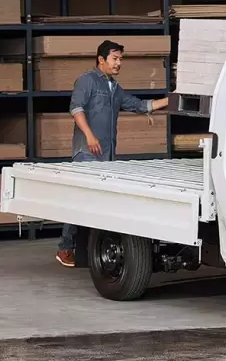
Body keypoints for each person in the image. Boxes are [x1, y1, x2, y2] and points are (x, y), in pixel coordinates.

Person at [56, 40, 169, 267]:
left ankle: (88, 251)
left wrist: (172, 99)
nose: (119, 63)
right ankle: (65, 248)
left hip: (106, 156)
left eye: (121, 59)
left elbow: (140, 106)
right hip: (86, 153)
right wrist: (89, 135)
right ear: (101, 59)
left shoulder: (115, 88)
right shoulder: (86, 81)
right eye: (115, 58)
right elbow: (76, 108)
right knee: (80, 199)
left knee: (97, 203)